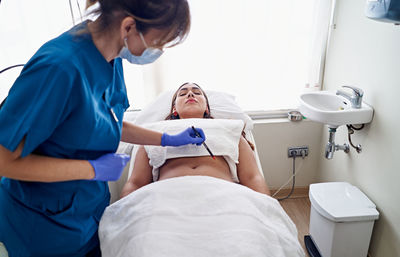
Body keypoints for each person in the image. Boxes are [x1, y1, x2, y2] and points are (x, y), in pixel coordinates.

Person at [0, 1, 205, 256]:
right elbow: (4, 160)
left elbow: (105, 122)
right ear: (129, 26)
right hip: (43, 224)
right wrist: (92, 169)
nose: (158, 51)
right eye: (158, 42)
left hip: (87, 208)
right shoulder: (59, 69)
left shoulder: (111, 55)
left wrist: (167, 139)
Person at [120, 82, 270, 198]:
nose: (190, 94)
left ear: (206, 108)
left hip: (223, 195)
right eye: (183, 94)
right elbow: (135, 183)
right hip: (166, 197)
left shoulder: (229, 127)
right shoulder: (152, 132)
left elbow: (252, 177)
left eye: (197, 93)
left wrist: (266, 209)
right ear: (174, 109)